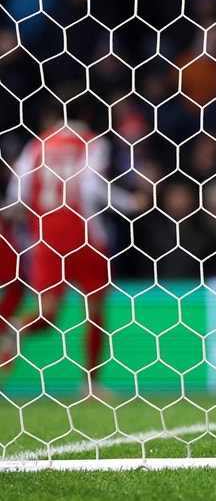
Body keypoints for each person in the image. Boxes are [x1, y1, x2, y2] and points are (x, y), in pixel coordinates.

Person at [2, 103, 149, 398]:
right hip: (86, 237)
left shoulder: (37, 144)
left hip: (45, 240)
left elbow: (17, 196)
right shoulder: (93, 142)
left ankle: (15, 327)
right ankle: (90, 384)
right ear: (88, 114)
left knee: (46, 313)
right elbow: (91, 185)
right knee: (94, 311)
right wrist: (129, 203)